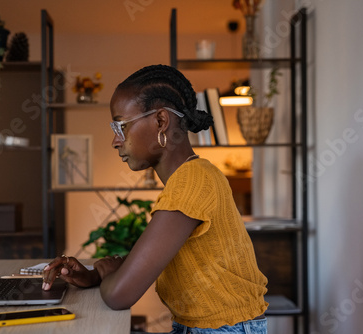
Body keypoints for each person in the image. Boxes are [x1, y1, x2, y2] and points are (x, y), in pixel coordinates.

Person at [42, 64, 268, 333]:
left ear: (161, 121)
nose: (115, 140)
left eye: (120, 126)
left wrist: (111, 274)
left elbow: (119, 295)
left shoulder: (192, 182)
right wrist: (95, 274)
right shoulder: (190, 178)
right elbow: (157, 259)